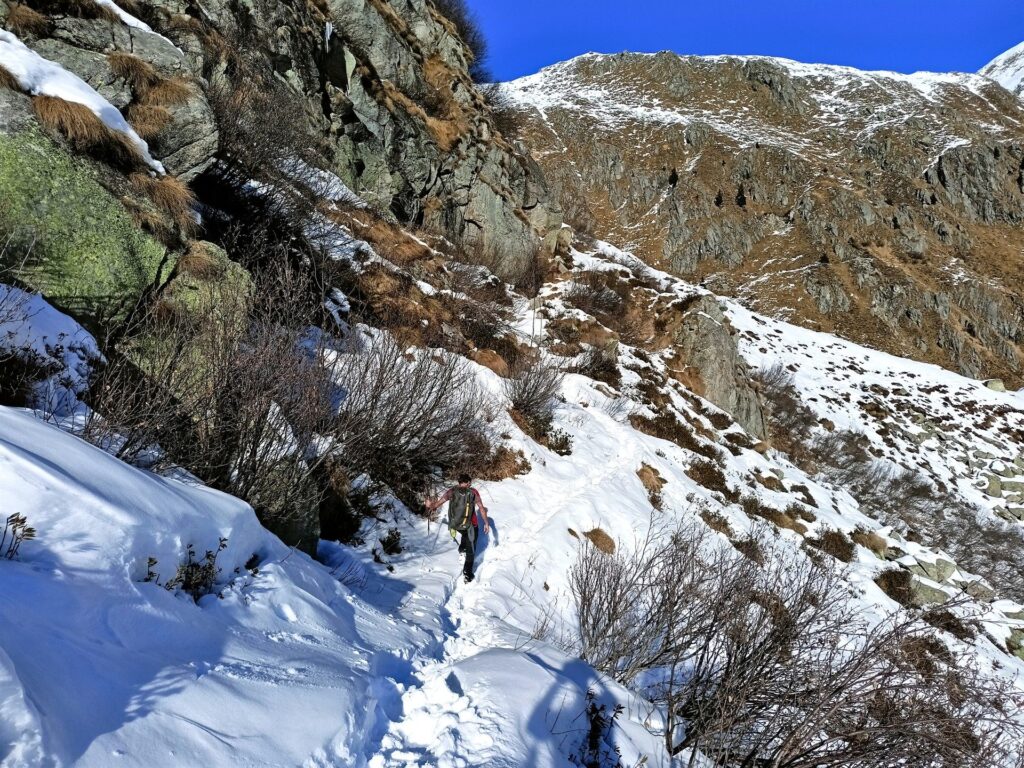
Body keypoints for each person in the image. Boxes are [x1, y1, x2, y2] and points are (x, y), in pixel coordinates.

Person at [426, 473, 490, 583]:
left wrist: (429, 505)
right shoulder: (473, 492)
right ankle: (468, 573)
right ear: (468, 483)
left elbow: (436, 505)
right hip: (471, 524)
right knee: (471, 548)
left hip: (456, 525)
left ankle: (462, 549)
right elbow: (481, 508)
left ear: (459, 482)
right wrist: (486, 522)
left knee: (464, 534)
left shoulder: (451, 491)